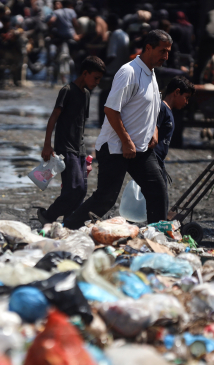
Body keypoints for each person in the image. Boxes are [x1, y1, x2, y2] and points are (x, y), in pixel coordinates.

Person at [64, 30, 172, 229]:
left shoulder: (152, 73)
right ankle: (68, 226)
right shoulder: (129, 72)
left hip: (140, 149)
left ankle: (159, 236)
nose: (166, 56)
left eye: (168, 52)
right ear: (148, 48)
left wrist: (154, 131)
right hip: (116, 147)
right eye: (162, 51)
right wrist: (126, 141)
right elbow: (111, 110)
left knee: (158, 189)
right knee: (105, 199)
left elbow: (152, 108)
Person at [37, 57, 106, 225]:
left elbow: (80, 123)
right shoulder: (67, 90)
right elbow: (53, 118)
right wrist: (48, 144)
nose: (97, 82)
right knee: (74, 188)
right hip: (65, 148)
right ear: (85, 73)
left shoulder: (87, 94)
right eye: (95, 78)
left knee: (80, 190)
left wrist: (87, 155)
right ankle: (48, 215)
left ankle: (69, 220)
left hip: (79, 149)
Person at [154, 76, 194, 208]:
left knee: (161, 197)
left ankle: (157, 224)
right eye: (186, 97)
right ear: (176, 92)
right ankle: (158, 225)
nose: (187, 102)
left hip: (159, 162)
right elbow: (152, 132)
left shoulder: (169, 111)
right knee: (159, 197)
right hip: (153, 161)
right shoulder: (161, 109)